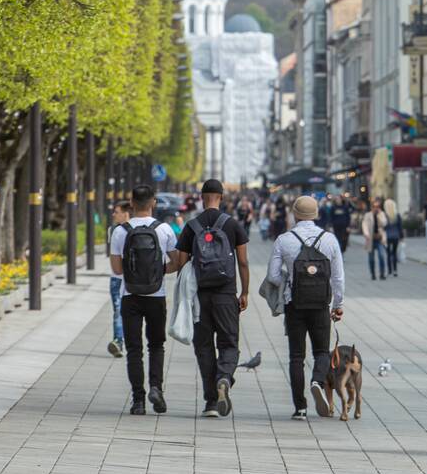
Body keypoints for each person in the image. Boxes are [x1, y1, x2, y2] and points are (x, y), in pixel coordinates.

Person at [173, 179, 250, 418]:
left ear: (201, 196)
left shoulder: (191, 226)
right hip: (227, 295)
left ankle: (210, 403)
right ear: (221, 197)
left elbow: (181, 264)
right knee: (229, 343)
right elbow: (244, 262)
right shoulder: (232, 225)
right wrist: (244, 292)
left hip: (199, 298)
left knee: (204, 347)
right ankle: (224, 378)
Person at [267, 195, 345, 420]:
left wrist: (289, 280)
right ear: (316, 214)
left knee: (296, 357)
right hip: (321, 303)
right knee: (321, 351)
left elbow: (273, 276)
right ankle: (317, 381)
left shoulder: (284, 239)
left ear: (295, 214)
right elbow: (338, 277)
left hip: (295, 304)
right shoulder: (329, 239)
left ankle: (300, 408)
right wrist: (338, 304)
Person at [110, 186, 179, 415]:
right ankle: (156, 388)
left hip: (130, 296)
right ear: (154, 202)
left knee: (133, 349)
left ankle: (138, 400)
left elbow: (117, 269)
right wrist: (158, 272)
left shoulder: (120, 231)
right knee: (156, 345)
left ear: (131, 202)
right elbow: (177, 262)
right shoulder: (164, 229)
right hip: (156, 295)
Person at [106, 200, 133, 358]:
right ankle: (119, 341)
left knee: (119, 311)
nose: (114, 214)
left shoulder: (115, 231)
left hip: (118, 277)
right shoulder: (114, 229)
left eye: (116, 211)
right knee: (119, 311)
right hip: (130, 278)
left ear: (126, 213)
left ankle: (120, 341)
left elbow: (113, 257)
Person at [362, 198, 388, 280]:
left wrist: (379, 216)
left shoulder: (382, 214)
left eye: (378, 206)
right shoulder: (368, 215)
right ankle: (373, 273)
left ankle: (382, 273)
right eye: (374, 206)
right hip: (371, 239)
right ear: (371, 207)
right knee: (371, 258)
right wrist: (366, 234)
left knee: (381, 256)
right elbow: (364, 225)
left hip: (379, 239)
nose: (376, 208)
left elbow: (384, 223)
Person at [384, 198, 403, 277]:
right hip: (395, 236)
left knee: (388, 253)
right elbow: (400, 227)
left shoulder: (385, 215)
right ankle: (395, 270)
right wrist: (401, 237)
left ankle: (389, 271)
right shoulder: (397, 215)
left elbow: (383, 226)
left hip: (387, 236)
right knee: (394, 253)